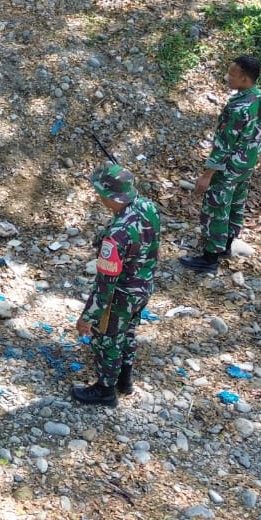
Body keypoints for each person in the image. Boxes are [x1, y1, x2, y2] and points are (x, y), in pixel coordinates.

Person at [71, 164, 160, 407]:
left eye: (101, 193)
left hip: (121, 295)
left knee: (108, 339)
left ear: (111, 196)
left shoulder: (116, 237)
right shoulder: (148, 207)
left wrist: (88, 317)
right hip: (143, 287)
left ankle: (105, 390)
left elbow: (105, 285)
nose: (99, 197)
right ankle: (124, 380)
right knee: (128, 331)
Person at [181, 55, 261, 273]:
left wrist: (207, 175)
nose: (227, 77)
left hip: (229, 167)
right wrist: (258, 153)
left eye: (232, 74)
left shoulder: (237, 108)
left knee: (216, 208)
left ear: (244, 79)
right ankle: (227, 245)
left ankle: (210, 258)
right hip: (246, 165)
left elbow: (223, 145)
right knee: (236, 204)